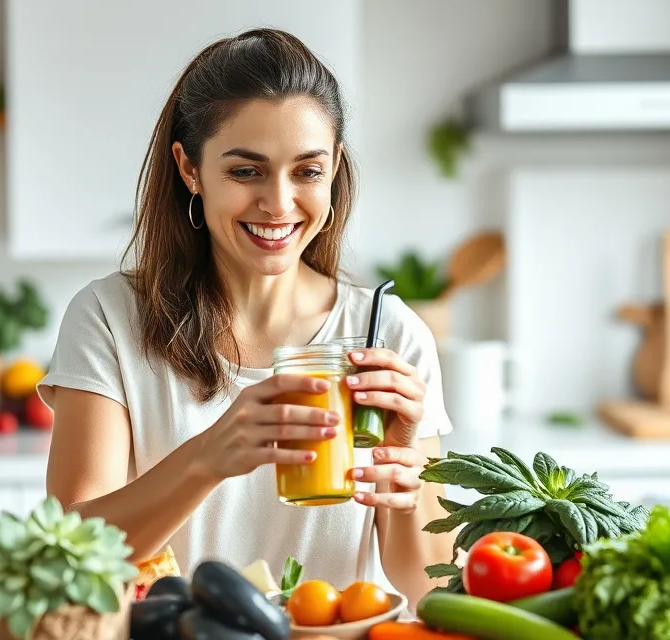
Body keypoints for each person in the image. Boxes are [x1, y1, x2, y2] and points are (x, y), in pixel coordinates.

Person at [37, 27, 455, 606]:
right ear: (190, 170)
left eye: (306, 171)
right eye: (245, 171)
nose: (279, 204)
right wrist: (207, 458)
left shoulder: (391, 334)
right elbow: (65, 557)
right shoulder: (109, 318)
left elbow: (429, 589)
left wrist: (404, 480)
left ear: (334, 167)